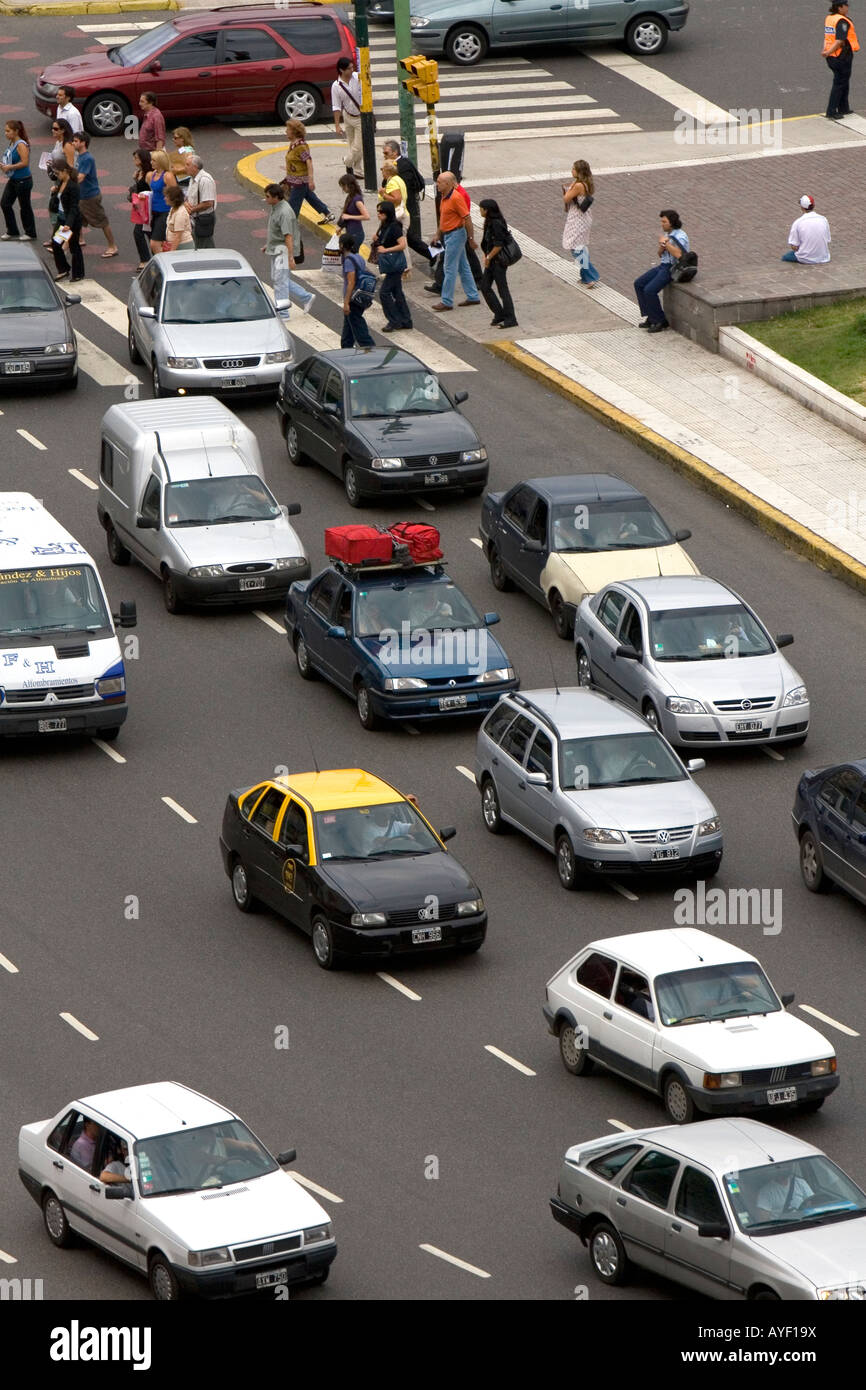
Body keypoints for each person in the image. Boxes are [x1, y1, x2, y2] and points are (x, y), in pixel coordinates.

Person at [262, 182, 315, 317]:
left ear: (276, 197)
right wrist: (268, 245)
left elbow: (288, 236)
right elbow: (277, 232)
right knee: (278, 278)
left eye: (268, 196)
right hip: (276, 248)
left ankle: (283, 312)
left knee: (280, 281)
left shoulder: (284, 212)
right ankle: (306, 297)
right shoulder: (276, 207)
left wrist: (291, 258)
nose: (266, 199)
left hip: (282, 251)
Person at [432, 171, 481, 313]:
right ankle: (472, 296)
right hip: (448, 234)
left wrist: (471, 239)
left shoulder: (456, 198)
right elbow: (443, 218)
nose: (437, 184)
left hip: (456, 235)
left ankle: (446, 301)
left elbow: (467, 219)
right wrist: (438, 234)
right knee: (463, 266)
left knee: (449, 268)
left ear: (447, 184)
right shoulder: (443, 196)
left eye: (439, 182)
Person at [634, 209, 688, 333]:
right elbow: (659, 254)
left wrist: (666, 244)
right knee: (639, 284)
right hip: (663, 265)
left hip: (672, 268)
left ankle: (660, 321)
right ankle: (651, 316)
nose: (662, 224)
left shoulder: (681, 236)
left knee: (650, 290)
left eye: (664, 222)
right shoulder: (667, 235)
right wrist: (662, 245)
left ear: (672, 222)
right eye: (661, 221)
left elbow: (679, 255)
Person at [382, 138, 431, 263]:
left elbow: (400, 192)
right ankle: (433, 253)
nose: (384, 156)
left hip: (403, 207)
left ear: (395, 152)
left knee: (406, 237)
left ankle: (431, 254)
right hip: (402, 207)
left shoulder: (402, 166)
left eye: (386, 153)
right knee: (407, 236)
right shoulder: (399, 164)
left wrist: (385, 194)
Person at [72, 131, 118, 258]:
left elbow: (81, 177)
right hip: (82, 195)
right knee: (72, 219)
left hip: (89, 196)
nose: (73, 143)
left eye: (76, 141)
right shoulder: (80, 156)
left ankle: (112, 246)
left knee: (102, 221)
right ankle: (69, 242)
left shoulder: (87, 158)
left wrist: (67, 183)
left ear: (83, 143)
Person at [371, 200, 411, 332]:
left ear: (387, 213)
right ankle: (406, 320)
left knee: (384, 292)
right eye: (378, 211)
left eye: (381, 212)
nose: (378, 214)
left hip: (395, 265)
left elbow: (402, 245)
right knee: (397, 292)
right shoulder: (384, 225)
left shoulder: (395, 226)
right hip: (391, 265)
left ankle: (394, 321)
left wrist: (385, 250)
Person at [283, 119, 332, 224]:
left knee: (293, 205)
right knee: (311, 197)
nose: (286, 131)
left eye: (288, 129)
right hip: (294, 179)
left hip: (299, 182)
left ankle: (290, 224)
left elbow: (308, 161)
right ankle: (328, 213)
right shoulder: (293, 144)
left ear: (294, 131)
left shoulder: (301, 147)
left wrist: (311, 180)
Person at [478, 197, 517, 328]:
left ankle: (510, 318)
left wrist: (488, 258)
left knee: (502, 290)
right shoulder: (489, 222)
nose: (480, 211)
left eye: (481, 209)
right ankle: (499, 313)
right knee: (485, 286)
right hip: (492, 260)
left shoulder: (496, 223)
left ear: (487, 210)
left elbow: (498, 244)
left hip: (498, 261)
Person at [562, 159, 600, 287]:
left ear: (579, 172)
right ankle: (585, 277)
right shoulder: (586, 183)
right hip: (584, 217)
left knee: (576, 248)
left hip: (578, 218)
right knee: (580, 246)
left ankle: (591, 276)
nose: (571, 170)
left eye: (573, 169)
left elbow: (566, 198)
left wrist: (568, 189)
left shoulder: (578, 185)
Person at [1, 120, 36, 241]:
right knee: (5, 203)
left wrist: (10, 167)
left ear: (16, 131)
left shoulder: (21, 144)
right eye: (5, 131)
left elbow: (25, 163)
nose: (5, 133)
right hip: (13, 179)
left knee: (25, 206)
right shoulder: (12, 143)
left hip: (23, 180)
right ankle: (12, 230)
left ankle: (30, 232)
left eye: (8, 131)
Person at [50, 157, 84, 283]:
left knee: (74, 247)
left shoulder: (73, 187)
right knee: (55, 243)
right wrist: (54, 192)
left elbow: (74, 208)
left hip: (71, 222)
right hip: (62, 218)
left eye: (58, 173)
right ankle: (64, 269)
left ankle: (78, 273)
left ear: (65, 171)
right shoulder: (60, 183)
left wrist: (69, 225)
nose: (57, 176)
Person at [44, 117, 76, 247]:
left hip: (64, 181)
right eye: (52, 128)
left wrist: (62, 186)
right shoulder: (58, 142)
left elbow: (70, 166)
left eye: (56, 129)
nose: (53, 130)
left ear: (63, 130)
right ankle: (58, 239)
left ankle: (60, 241)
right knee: (58, 210)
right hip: (59, 179)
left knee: (62, 212)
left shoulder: (67, 145)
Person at [340, 231, 375, 348]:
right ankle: (346, 349)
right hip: (360, 296)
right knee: (348, 331)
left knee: (358, 327)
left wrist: (346, 302)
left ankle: (370, 349)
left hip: (353, 299)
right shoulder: (358, 257)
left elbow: (351, 282)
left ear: (342, 245)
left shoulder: (349, 261)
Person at [824, 1, 859, 119]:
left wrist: (826, 51)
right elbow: (839, 40)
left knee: (843, 82)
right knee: (839, 84)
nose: (848, 7)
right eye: (846, 5)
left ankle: (844, 108)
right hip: (841, 56)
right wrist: (827, 52)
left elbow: (828, 37)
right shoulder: (842, 21)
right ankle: (831, 111)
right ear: (840, 7)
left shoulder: (830, 18)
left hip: (832, 56)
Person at [331, 55, 363, 175]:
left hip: (360, 117)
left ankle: (347, 161)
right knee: (352, 145)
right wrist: (337, 125)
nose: (352, 70)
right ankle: (358, 171)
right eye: (349, 68)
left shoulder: (357, 77)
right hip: (348, 116)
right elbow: (336, 106)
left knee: (358, 148)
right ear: (341, 70)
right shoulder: (336, 86)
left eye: (352, 67)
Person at [782, 194, 831, 263]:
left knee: (785, 257)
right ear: (813, 206)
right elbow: (828, 240)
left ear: (802, 207)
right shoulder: (823, 219)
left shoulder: (798, 222)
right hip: (823, 256)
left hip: (805, 258)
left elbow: (794, 246)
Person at [146, 149, 176, 255]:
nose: (151, 162)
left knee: (155, 243)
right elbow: (153, 192)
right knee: (157, 242)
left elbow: (175, 195)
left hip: (165, 212)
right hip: (154, 212)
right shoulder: (152, 175)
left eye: (153, 160)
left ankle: (163, 263)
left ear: (160, 162)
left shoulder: (167, 176)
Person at [184, 154, 217, 249]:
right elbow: (188, 197)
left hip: (203, 219)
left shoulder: (204, 180)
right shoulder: (192, 179)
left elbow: (208, 203)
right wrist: (186, 203)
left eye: (187, 165)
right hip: (196, 218)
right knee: (202, 244)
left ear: (195, 167)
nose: (185, 167)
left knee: (203, 245)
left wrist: (192, 210)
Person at [128, 148, 152, 269]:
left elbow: (151, 189)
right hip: (140, 207)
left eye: (136, 158)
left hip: (147, 206)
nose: (134, 160)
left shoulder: (148, 174)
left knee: (139, 232)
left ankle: (145, 260)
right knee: (147, 233)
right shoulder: (139, 172)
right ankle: (149, 258)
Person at [336, 172, 369, 252]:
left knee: (352, 256)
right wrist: (341, 226)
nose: (343, 188)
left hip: (356, 233)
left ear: (349, 185)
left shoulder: (357, 200)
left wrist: (349, 217)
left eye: (343, 186)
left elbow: (366, 216)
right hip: (351, 231)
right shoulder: (351, 197)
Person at [380, 159, 409, 229]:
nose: (381, 172)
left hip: (397, 216)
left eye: (382, 170)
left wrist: (383, 194)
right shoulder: (398, 179)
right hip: (402, 213)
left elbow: (397, 199)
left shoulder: (392, 182)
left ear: (387, 171)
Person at [165, 183, 194, 250]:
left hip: (183, 246)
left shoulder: (180, 213)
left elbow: (178, 237)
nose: (165, 198)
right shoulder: (173, 208)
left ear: (173, 199)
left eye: (167, 197)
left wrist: (171, 252)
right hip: (176, 245)